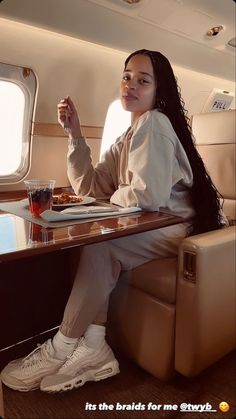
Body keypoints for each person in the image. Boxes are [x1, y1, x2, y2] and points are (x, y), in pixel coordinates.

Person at [1, 49, 225, 393]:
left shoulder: (155, 123)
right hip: (151, 223)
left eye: (143, 80)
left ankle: (61, 348)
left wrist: (111, 200)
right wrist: (74, 134)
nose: (130, 85)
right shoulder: (126, 135)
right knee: (96, 241)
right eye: (126, 77)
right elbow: (90, 187)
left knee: (103, 244)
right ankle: (94, 346)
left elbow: (147, 197)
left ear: (157, 91)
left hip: (174, 226)